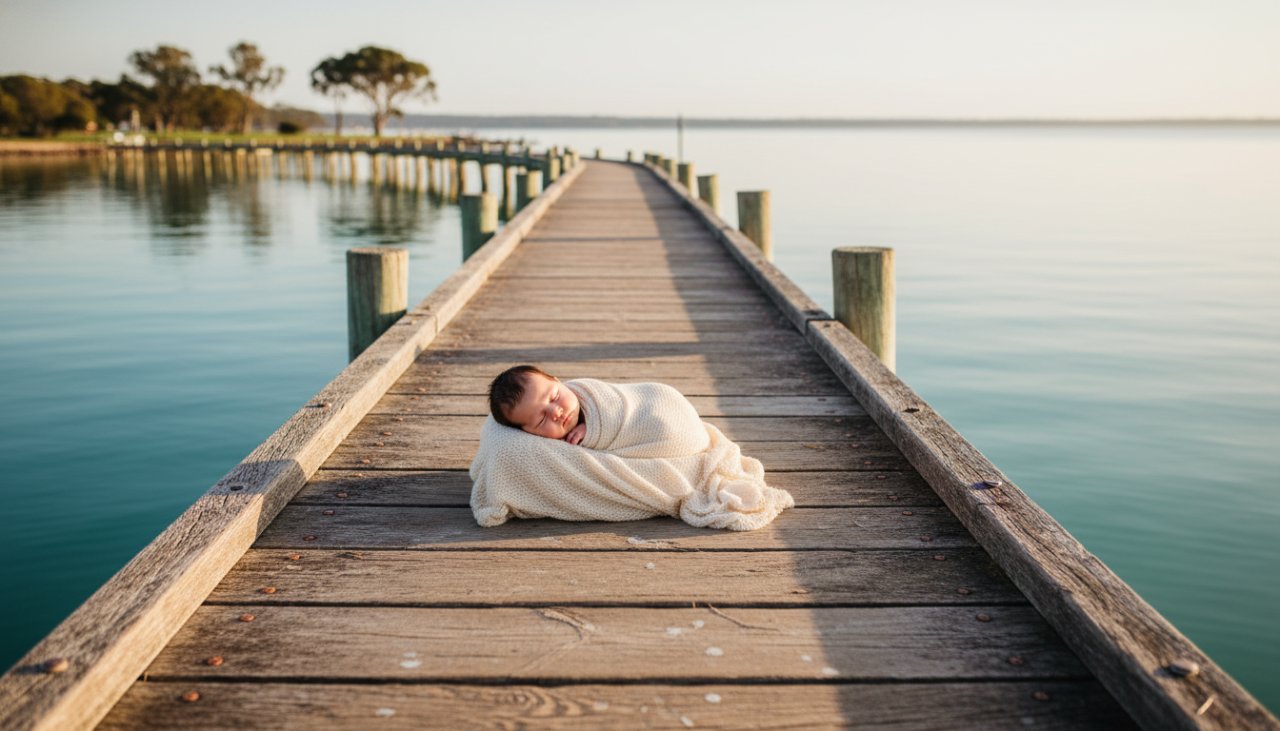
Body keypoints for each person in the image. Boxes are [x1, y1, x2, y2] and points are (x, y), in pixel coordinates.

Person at [488, 364, 587, 445]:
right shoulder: (541, 451)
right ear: (526, 433)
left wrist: (590, 430)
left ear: (556, 380)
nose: (555, 412)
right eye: (542, 420)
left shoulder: (588, 393)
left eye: (554, 397)